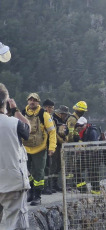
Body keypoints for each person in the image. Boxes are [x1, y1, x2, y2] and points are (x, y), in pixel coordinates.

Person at [0, 83, 31, 229]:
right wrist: (15, 110)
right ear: (5, 102)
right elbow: (28, 129)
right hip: (12, 183)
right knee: (12, 222)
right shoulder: (14, 123)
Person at [22, 93, 57, 206]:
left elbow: (52, 131)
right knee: (25, 172)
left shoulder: (44, 114)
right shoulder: (22, 113)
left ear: (38, 102)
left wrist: (52, 147)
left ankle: (37, 196)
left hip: (40, 149)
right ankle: (30, 191)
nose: (32, 102)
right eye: (30, 100)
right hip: (25, 148)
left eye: (35, 100)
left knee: (39, 173)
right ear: (28, 101)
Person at [74, 117, 102, 194]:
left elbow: (94, 145)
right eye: (78, 125)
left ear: (86, 124)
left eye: (81, 125)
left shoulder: (92, 131)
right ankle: (83, 188)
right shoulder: (82, 132)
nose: (79, 127)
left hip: (93, 157)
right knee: (75, 170)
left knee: (93, 175)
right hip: (85, 156)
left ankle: (96, 194)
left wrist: (83, 147)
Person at [51, 105, 70, 192]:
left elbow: (66, 131)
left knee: (59, 165)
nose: (66, 116)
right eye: (65, 114)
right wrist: (62, 142)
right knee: (54, 165)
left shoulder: (64, 120)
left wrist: (66, 140)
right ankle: (52, 185)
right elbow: (54, 133)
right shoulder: (54, 119)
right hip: (55, 145)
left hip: (61, 145)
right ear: (61, 113)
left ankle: (56, 184)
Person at [42, 99, 55, 195]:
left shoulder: (50, 117)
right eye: (51, 108)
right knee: (44, 167)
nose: (52, 110)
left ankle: (48, 186)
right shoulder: (43, 116)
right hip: (43, 145)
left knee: (48, 166)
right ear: (47, 107)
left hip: (48, 145)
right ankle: (44, 187)